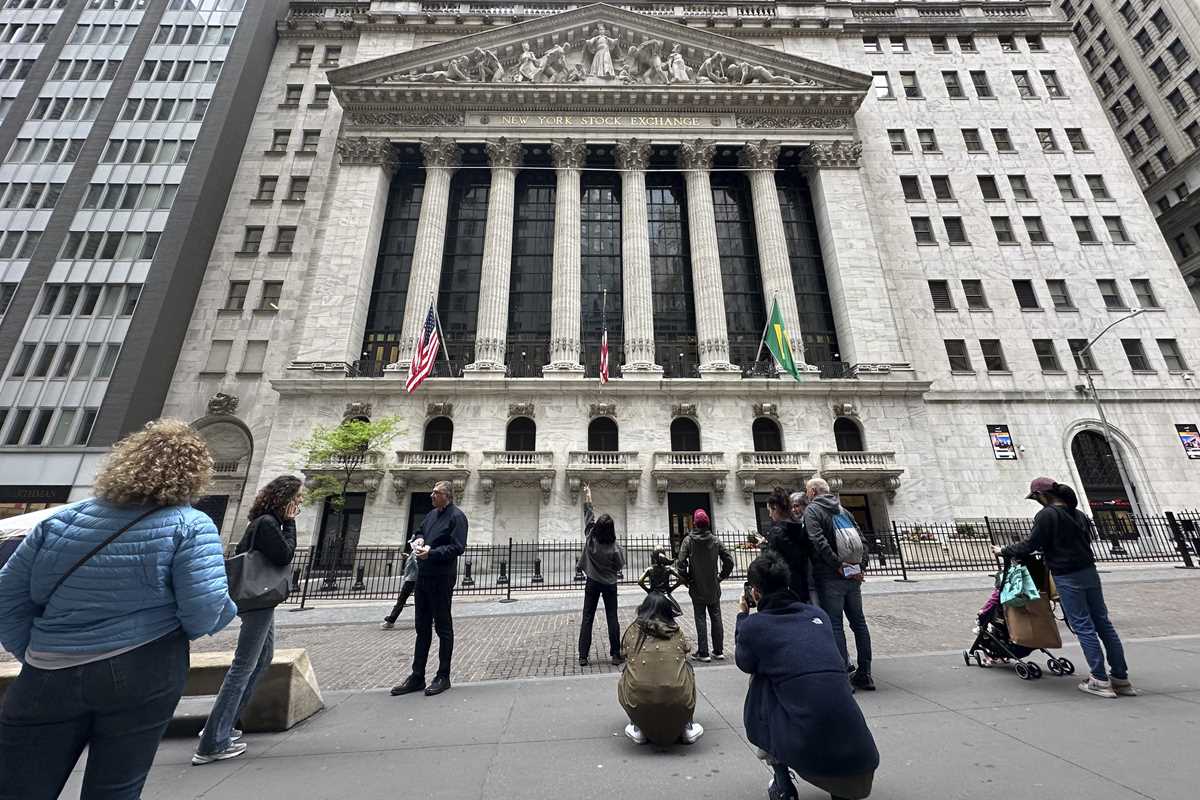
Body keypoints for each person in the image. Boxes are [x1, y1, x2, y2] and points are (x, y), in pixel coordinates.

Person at [0, 419, 236, 799]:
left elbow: (6, 598)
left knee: (18, 788)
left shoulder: (60, 520)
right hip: (143, 665)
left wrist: (36, 651)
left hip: (46, 671)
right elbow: (204, 610)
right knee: (116, 789)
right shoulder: (189, 524)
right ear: (194, 475)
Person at [736, 552, 878, 800]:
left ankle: (783, 785)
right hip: (861, 761)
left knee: (760, 681)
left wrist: (742, 616)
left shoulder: (754, 626)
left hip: (811, 755)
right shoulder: (818, 616)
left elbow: (745, 663)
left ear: (755, 592)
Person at [193, 475, 301, 765]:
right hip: (258, 599)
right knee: (243, 666)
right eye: (297, 498)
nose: (300, 502)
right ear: (285, 499)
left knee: (263, 659)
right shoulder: (268, 523)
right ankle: (212, 741)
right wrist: (291, 524)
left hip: (259, 598)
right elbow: (285, 555)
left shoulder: (263, 522)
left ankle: (223, 725)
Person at [996, 477, 1136, 699]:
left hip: (1067, 574)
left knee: (1083, 625)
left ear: (1042, 495)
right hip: (1089, 571)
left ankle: (1099, 680)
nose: (1036, 502)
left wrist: (1004, 550)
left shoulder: (1047, 515)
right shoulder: (1078, 514)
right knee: (1104, 624)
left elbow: (1031, 544)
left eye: (1036, 498)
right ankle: (1121, 678)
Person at [391, 480, 468, 698]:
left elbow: (458, 547)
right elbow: (419, 531)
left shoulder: (457, 517)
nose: (432, 495)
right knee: (422, 627)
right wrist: (418, 540)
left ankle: (443, 676)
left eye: (436, 493)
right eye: (432, 492)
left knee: (443, 627)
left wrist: (431, 553)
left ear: (447, 496)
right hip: (423, 577)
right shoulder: (431, 515)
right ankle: (417, 676)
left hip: (442, 578)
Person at [803, 478, 874, 691]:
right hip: (853, 577)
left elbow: (818, 541)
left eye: (807, 491)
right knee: (859, 623)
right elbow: (863, 541)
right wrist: (859, 568)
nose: (806, 495)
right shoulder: (843, 510)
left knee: (835, 624)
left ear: (813, 492)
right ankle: (865, 673)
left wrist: (838, 566)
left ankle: (842, 674)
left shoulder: (813, 510)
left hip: (830, 576)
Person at [618, 592, 703, 746]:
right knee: (688, 669)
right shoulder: (676, 632)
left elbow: (624, 653)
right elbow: (686, 650)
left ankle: (637, 726)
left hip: (638, 701)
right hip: (678, 700)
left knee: (627, 671)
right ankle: (687, 725)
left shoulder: (633, 632)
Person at [675, 509, 734, 662]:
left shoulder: (688, 540)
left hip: (697, 585)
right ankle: (718, 650)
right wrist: (721, 576)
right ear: (707, 523)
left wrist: (686, 579)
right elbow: (729, 561)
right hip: (713, 584)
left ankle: (703, 652)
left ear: (695, 523)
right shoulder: (715, 540)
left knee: (700, 618)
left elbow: (680, 563)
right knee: (716, 616)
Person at [577, 485, 626, 666]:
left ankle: (583, 655)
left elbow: (588, 515)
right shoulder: (615, 547)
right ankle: (615, 654)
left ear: (597, 528)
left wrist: (588, 495)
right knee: (612, 617)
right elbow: (620, 565)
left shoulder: (590, 538)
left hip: (592, 582)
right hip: (610, 584)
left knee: (587, 617)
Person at [381, 535, 421, 629]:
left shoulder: (415, 552)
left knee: (403, 600)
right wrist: (408, 557)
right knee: (404, 600)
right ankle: (391, 620)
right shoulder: (414, 552)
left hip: (413, 580)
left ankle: (391, 620)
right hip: (411, 579)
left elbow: (418, 565)